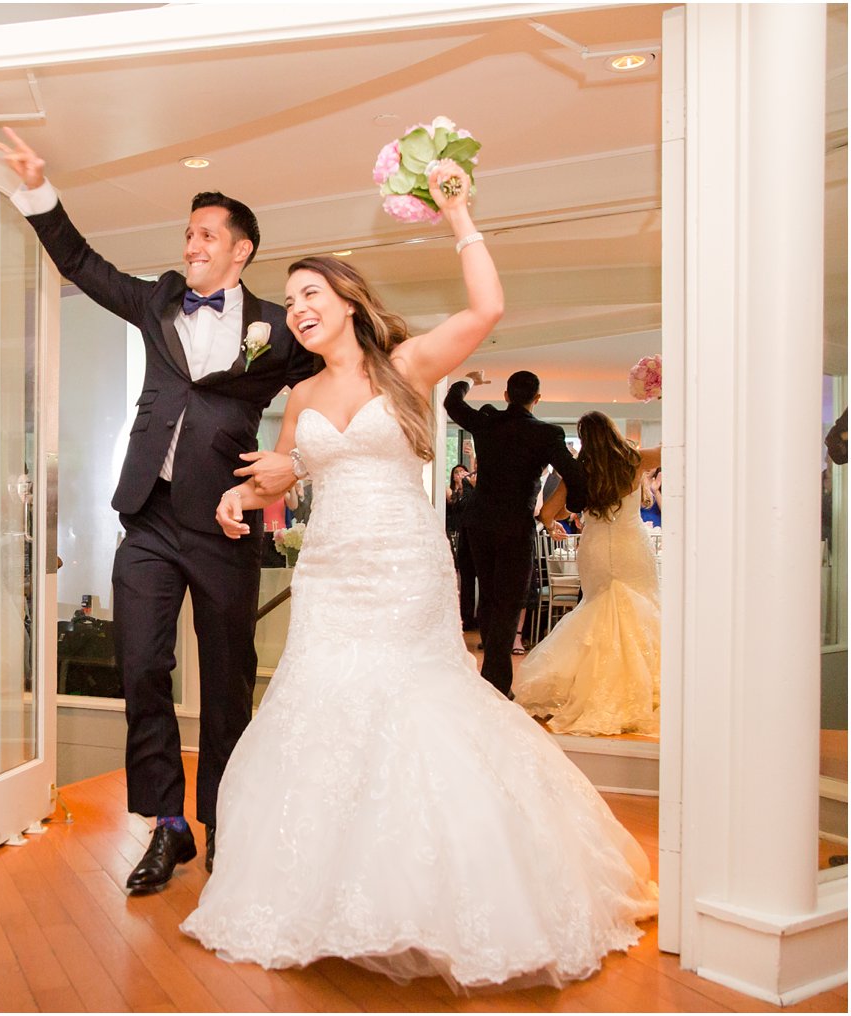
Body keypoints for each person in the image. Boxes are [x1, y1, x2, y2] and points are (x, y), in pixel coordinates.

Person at [182, 163, 656, 989]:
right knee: (323, 710)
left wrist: (459, 213)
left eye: (311, 291)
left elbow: (486, 310)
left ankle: (449, 894)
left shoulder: (406, 365)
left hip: (404, 568)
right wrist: (238, 495)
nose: (298, 306)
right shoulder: (298, 394)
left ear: (350, 301)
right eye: (290, 298)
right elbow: (283, 475)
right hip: (331, 573)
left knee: (411, 705)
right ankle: (331, 898)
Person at [0, 126, 320, 889]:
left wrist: (295, 457)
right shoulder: (158, 299)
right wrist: (39, 189)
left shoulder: (278, 326)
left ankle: (225, 822)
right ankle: (167, 825)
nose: (193, 242)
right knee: (141, 667)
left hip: (226, 524)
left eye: (207, 233)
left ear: (240, 250)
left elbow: (339, 368)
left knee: (230, 680)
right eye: (188, 232)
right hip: (146, 518)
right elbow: (79, 261)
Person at [514, 413, 661, 736]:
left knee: (597, 611)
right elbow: (672, 450)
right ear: (612, 431)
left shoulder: (579, 471)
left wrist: (558, 522)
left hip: (595, 548)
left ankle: (588, 685)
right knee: (640, 608)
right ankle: (640, 686)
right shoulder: (633, 459)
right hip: (630, 545)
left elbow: (548, 513)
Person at [445, 370, 587, 698]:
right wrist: (575, 506)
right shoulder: (546, 434)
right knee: (508, 602)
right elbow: (575, 474)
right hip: (515, 526)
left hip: (479, 523)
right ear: (536, 399)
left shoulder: (487, 421)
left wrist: (468, 381)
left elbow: (452, 402)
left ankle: (492, 679)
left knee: (491, 598)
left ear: (506, 395)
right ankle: (495, 683)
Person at [445, 464, 477, 631]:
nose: (460, 474)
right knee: (466, 579)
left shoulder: (474, 486)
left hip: (477, 535)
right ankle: (466, 616)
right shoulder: (458, 489)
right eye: (456, 472)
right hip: (460, 534)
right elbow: (457, 506)